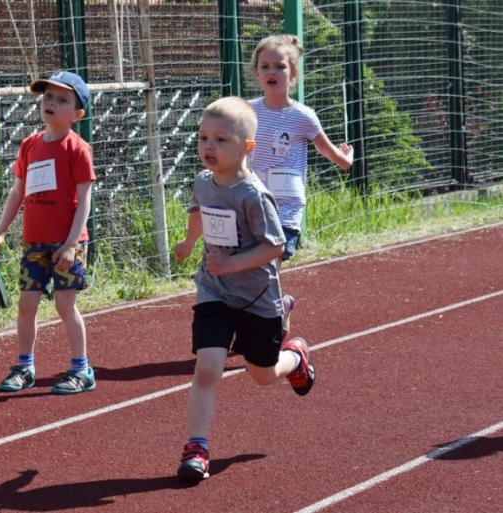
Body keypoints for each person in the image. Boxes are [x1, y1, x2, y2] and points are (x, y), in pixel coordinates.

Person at [172, 96, 315, 482]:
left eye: (220, 139)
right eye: (203, 137)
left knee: (263, 375)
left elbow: (275, 247)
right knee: (208, 366)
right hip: (214, 290)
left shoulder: (254, 195)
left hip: (255, 296)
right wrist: (188, 244)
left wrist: (234, 263)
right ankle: (196, 447)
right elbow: (200, 210)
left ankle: (296, 357)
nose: (208, 147)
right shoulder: (203, 182)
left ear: (246, 147)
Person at [0, 71, 96, 395]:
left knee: (65, 305)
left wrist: (71, 245)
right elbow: (17, 192)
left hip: (67, 243)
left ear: (77, 114)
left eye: (62, 100)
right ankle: (24, 366)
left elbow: (85, 201)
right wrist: (1, 232)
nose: (51, 103)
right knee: (26, 304)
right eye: (47, 96)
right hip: (35, 242)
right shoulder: (30, 145)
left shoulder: (77, 149)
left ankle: (81, 369)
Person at [248, 34, 354, 263]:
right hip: (254, 206)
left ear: (293, 74)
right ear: (256, 73)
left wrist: (346, 159)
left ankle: (274, 299)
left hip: (286, 209)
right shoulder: (247, 112)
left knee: (271, 259)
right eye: (265, 66)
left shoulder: (303, 116)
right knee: (257, 267)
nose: (271, 72)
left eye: (280, 67)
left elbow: (327, 150)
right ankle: (278, 300)